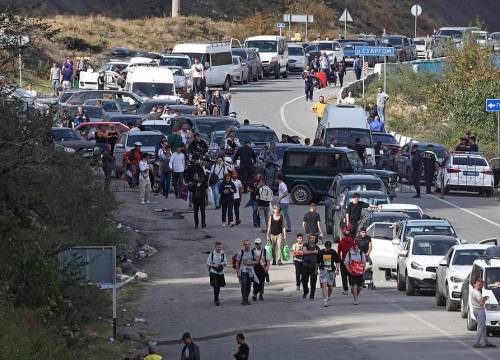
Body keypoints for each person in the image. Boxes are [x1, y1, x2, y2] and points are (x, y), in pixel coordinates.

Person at [471, 279, 496, 348]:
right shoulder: (477, 293)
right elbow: (481, 303)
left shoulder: (473, 291)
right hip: (479, 311)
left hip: (475, 310)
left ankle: (485, 342)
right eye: (482, 285)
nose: (482, 287)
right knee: (480, 327)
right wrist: (485, 299)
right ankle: (476, 343)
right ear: (479, 284)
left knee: (483, 327)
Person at [235, 240, 258, 305]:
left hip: (250, 271)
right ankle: (244, 299)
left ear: (250, 245)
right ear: (243, 245)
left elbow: (257, 261)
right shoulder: (241, 252)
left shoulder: (253, 252)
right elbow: (237, 263)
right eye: (245, 244)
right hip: (243, 270)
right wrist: (237, 272)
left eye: (248, 244)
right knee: (244, 284)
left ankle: (246, 299)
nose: (247, 245)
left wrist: (251, 262)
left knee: (248, 285)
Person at [319, 240, 341, 307]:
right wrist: (316, 269)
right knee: (324, 285)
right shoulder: (321, 252)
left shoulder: (333, 252)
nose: (328, 248)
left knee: (330, 286)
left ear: (330, 247)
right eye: (327, 247)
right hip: (323, 270)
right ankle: (325, 300)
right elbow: (317, 261)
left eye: (329, 247)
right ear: (325, 246)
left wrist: (337, 270)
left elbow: (337, 261)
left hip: (331, 271)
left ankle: (328, 297)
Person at [344, 240, 366, 305]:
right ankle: (355, 299)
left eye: (356, 245)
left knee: (360, 287)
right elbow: (346, 263)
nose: (355, 246)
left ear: (358, 245)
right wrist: (349, 270)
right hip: (352, 273)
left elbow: (364, 262)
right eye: (353, 245)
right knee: (354, 285)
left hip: (359, 273)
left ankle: (354, 292)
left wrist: (363, 269)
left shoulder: (361, 253)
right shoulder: (349, 253)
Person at [207, 241, 226, 305]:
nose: (219, 248)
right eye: (218, 247)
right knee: (216, 285)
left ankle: (216, 297)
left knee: (222, 284)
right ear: (215, 247)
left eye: (220, 247)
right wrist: (214, 265)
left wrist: (221, 264)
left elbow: (225, 262)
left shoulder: (223, 254)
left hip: (220, 272)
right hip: (213, 272)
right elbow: (207, 263)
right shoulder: (212, 254)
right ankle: (216, 299)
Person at [301, 233, 320, 301]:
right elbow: (304, 252)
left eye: (313, 238)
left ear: (315, 239)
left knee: (313, 283)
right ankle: (306, 291)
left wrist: (317, 268)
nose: (312, 239)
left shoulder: (317, 248)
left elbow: (318, 260)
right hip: (305, 266)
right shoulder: (305, 245)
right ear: (309, 238)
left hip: (313, 267)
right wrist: (313, 252)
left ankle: (312, 295)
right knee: (304, 281)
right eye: (311, 238)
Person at [338, 229, 355, 295]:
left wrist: (339, 260)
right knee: (351, 274)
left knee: (344, 276)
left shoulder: (341, 242)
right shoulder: (353, 241)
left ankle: (345, 290)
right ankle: (352, 286)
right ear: (350, 234)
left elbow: (338, 252)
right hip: (351, 261)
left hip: (344, 261)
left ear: (344, 234)